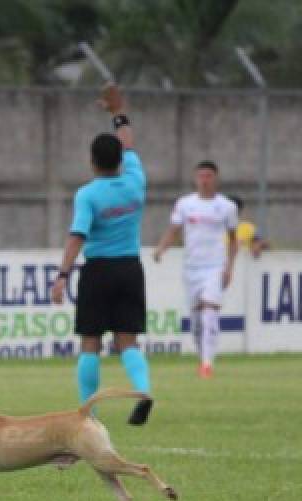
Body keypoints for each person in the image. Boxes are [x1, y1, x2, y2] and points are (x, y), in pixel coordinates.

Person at [51, 83, 153, 426]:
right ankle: (143, 391)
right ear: (121, 160)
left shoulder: (88, 195)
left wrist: (62, 275)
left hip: (98, 271)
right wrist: (117, 112)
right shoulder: (136, 181)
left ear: (92, 161)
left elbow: (77, 236)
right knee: (128, 341)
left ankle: (88, 411)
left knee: (90, 342)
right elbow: (127, 141)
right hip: (130, 268)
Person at [152, 161, 240, 378]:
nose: (204, 180)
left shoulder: (227, 207)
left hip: (215, 266)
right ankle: (203, 357)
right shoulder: (185, 204)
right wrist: (161, 248)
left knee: (210, 311)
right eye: (201, 175)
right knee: (196, 322)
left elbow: (233, 239)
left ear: (216, 178)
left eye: (209, 175)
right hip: (191, 268)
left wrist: (229, 267)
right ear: (195, 178)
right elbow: (174, 230)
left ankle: (207, 364)